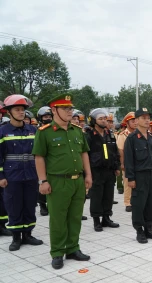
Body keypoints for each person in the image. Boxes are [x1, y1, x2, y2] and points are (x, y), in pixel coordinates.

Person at [32, 94, 92, 270]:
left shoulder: (77, 130)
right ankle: (57, 252)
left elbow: (84, 154)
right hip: (57, 182)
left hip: (77, 181)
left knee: (75, 217)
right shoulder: (45, 132)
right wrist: (42, 181)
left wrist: (88, 175)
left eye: (70, 108)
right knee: (58, 219)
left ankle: (73, 248)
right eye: (65, 108)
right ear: (54, 110)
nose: (69, 111)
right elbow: (39, 157)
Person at [0, 95, 43, 251]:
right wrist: (1, 176)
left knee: (30, 205)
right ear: (9, 112)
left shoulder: (33, 130)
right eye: (17, 109)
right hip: (12, 176)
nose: (21, 112)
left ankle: (28, 235)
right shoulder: (3, 131)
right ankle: (16, 237)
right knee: (14, 206)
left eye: (22, 110)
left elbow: (40, 154)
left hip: (31, 174)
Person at [124, 107, 152, 243]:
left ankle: (149, 228)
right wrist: (131, 178)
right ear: (137, 120)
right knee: (139, 204)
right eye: (143, 118)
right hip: (139, 177)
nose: (147, 120)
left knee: (151, 203)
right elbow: (128, 160)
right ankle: (139, 230)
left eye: (148, 118)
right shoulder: (132, 138)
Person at [86, 108, 120, 232]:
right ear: (94, 121)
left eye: (105, 118)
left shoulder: (109, 134)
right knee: (96, 196)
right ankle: (96, 220)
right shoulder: (89, 136)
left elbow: (115, 152)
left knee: (108, 195)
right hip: (96, 171)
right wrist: (87, 172)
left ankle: (106, 218)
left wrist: (116, 166)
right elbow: (86, 155)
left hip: (109, 170)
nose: (104, 121)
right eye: (101, 118)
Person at [116, 112, 136, 212]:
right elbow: (120, 150)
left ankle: (135, 201)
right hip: (128, 162)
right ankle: (127, 203)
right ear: (127, 123)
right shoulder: (123, 135)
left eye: (135, 120)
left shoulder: (138, 133)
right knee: (128, 183)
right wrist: (122, 163)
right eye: (132, 121)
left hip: (138, 162)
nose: (135, 123)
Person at [36, 106, 54, 216]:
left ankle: (51, 205)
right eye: (45, 117)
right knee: (42, 182)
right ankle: (42, 205)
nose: (48, 118)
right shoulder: (37, 131)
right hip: (41, 161)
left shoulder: (54, 130)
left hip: (52, 162)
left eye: (49, 116)